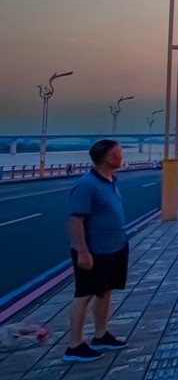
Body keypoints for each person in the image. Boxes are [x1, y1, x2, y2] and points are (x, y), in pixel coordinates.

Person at [64, 139, 129, 362]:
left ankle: (101, 335)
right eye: (119, 153)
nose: (122, 156)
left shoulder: (111, 179)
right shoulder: (87, 185)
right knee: (84, 295)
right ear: (110, 158)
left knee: (105, 291)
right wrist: (83, 251)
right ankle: (74, 344)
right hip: (94, 251)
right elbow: (75, 221)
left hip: (115, 246)